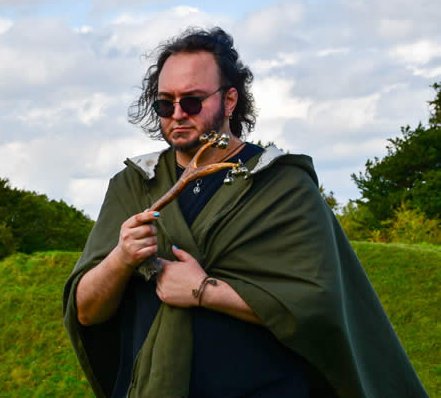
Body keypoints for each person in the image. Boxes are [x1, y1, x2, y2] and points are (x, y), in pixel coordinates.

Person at [63, 27, 428, 398]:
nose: (178, 114)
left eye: (192, 101)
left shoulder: (281, 185)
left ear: (229, 100)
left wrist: (203, 291)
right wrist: (121, 259)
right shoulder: (134, 185)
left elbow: (315, 305)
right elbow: (86, 312)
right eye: (165, 104)